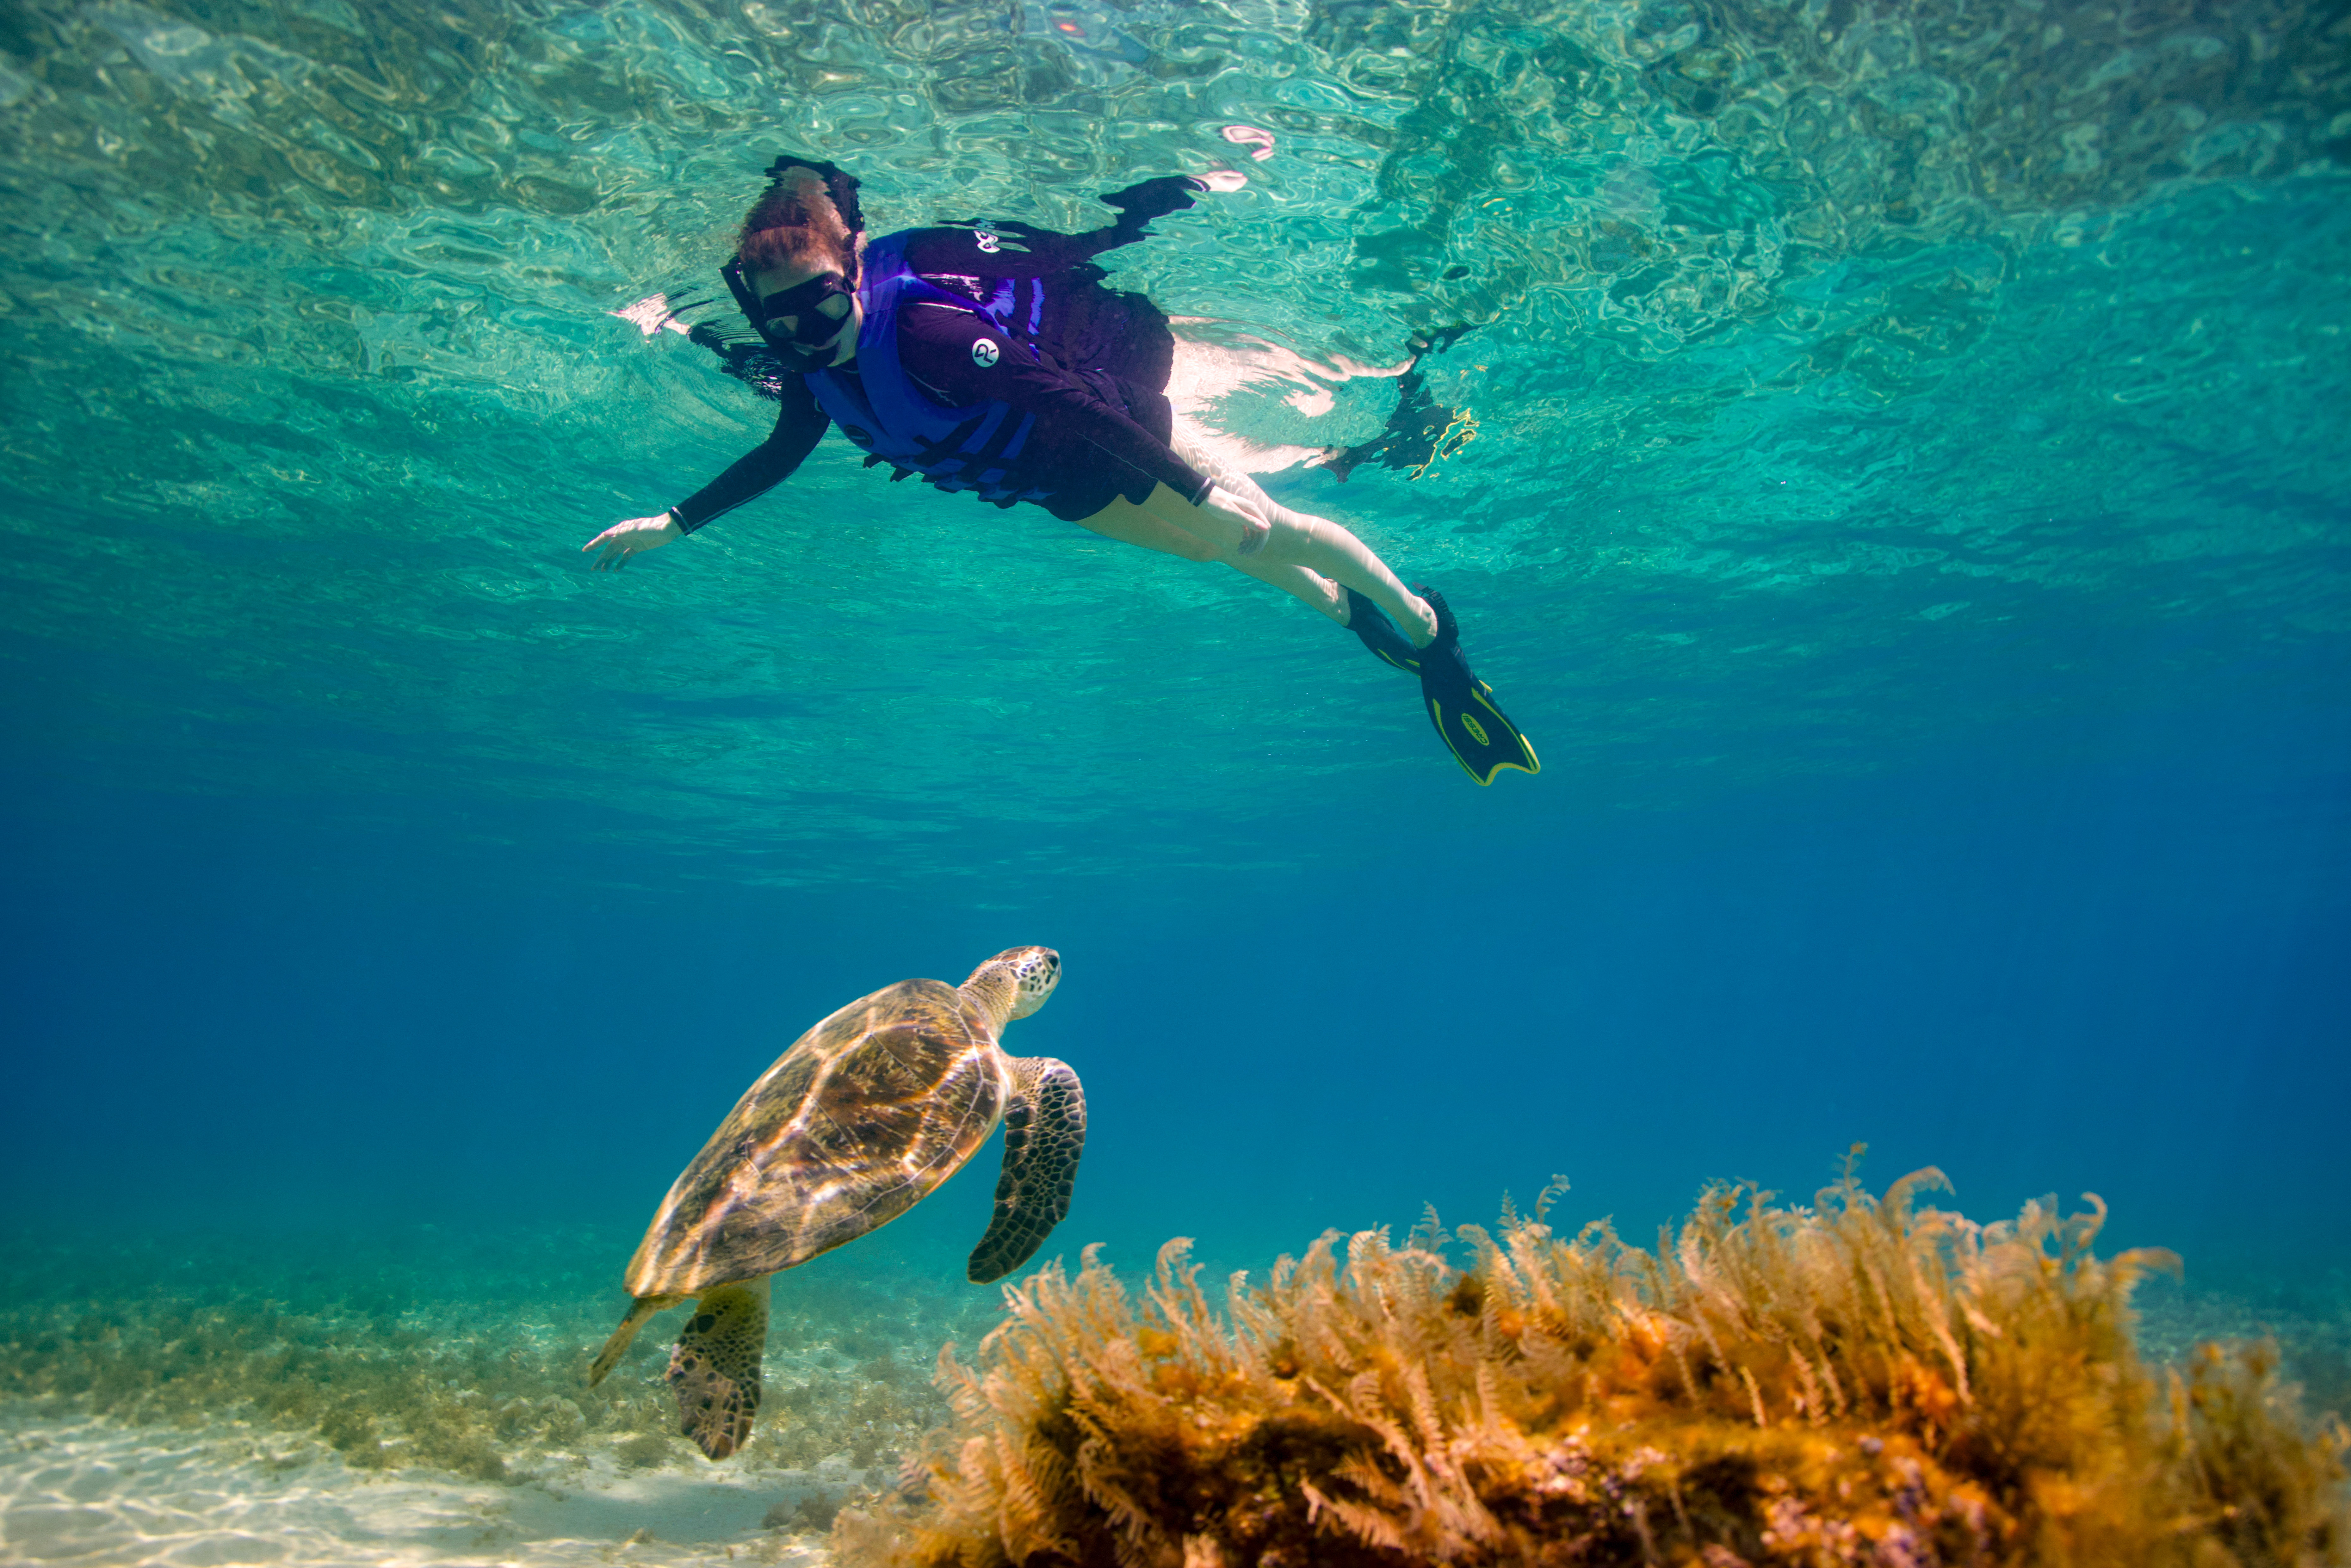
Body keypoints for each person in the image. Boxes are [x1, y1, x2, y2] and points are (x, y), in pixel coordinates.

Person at [584, 157, 1537, 783]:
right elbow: (784, 447)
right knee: (1216, 556)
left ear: (855, 276)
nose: (805, 337)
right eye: (779, 323)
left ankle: (1425, 627)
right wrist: (674, 523)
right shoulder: (811, 364)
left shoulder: (922, 328)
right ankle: (1352, 616)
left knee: (1253, 528)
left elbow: (1059, 398)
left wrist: (1196, 480)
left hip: (1103, 427)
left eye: (823, 308)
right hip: (1047, 482)